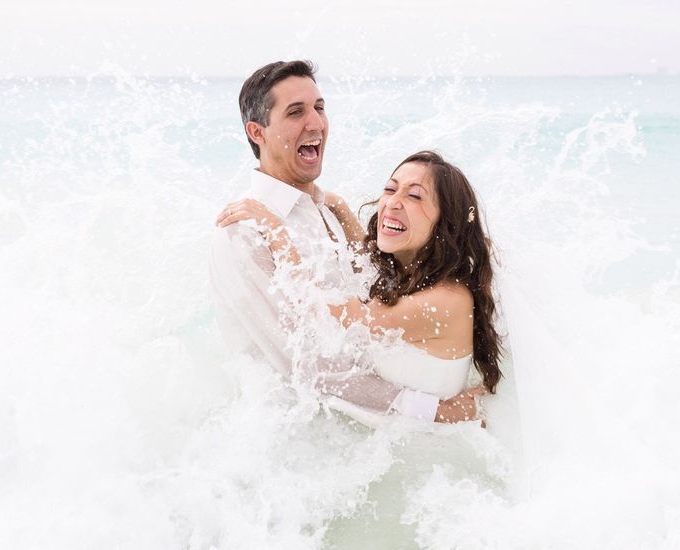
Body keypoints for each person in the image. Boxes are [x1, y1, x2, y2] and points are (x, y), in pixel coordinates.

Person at [209, 60, 483, 424]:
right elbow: (312, 365)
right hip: (305, 441)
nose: (316, 123)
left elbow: (363, 298)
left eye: (319, 108)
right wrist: (435, 411)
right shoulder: (245, 232)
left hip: (378, 437)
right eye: (296, 112)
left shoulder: (322, 210)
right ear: (257, 133)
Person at [217, 150, 502, 426]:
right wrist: (333, 204)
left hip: (428, 453)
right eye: (390, 189)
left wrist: (275, 230)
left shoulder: (447, 299)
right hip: (398, 435)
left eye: (414, 195)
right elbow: (367, 262)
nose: (392, 203)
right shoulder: (411, 272)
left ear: (447, 221)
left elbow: (337, 317)